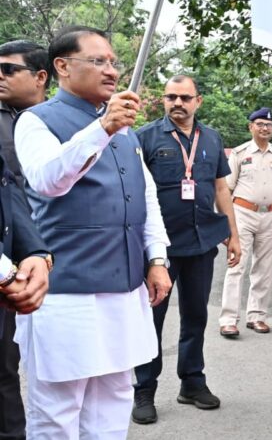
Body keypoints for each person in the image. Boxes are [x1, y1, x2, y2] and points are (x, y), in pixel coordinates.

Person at [13, 25, 171, 438]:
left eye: (113, 62)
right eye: (98, 61)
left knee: (114, 400)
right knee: (58, 410)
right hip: (66, 293)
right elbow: (47, 179)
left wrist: (157, 259)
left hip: (124, 291)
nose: (111, 71)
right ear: (62, 66)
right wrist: (102, 129)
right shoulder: (36, 120)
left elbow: (145, 198)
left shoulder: (125, 130)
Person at [132, 74, 241, 424]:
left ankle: (192, 382)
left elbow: (221, 189)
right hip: (158, 250)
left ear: (198, 101)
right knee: (152, 320)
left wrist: (233, 234)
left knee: (196, 316)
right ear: (164, 100)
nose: (177, 103)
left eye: (185, 97)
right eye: (171, 97)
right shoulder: (144, 137)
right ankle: (144, 390)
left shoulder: (212, 138)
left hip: (201, 244)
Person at [0, 39, 52, 440]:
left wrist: (36, 250)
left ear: (40, 77)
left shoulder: (67, 121)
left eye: (7, 69)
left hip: (45, 258)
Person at [218, 107, 272, 337]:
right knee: (236, 265)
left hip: (270, 215)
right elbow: (226, 189)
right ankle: (228, 319)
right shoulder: (239, 153)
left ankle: (257, 316)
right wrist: (224, 225)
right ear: (250, 127)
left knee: (264, 268)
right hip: (242, 213)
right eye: (260, 124)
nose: (265, 128)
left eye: (268, 125)